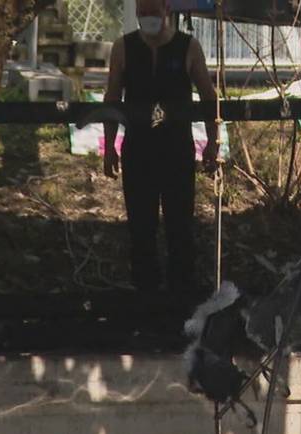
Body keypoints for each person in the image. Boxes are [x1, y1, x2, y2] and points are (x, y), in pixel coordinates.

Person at [103, 0, 219, 298]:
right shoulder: (123, 48)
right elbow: (112, 96)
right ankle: (146, 294)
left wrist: (212, 143)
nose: (148, 18)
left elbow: (208, 97)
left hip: (176, 149)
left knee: (180, 226)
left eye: (153, 11)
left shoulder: (188, 47)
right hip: (138, 149)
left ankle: (181, 293)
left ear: (167, 10)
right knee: (141, 227)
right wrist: (109, 147)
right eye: (142, 12)